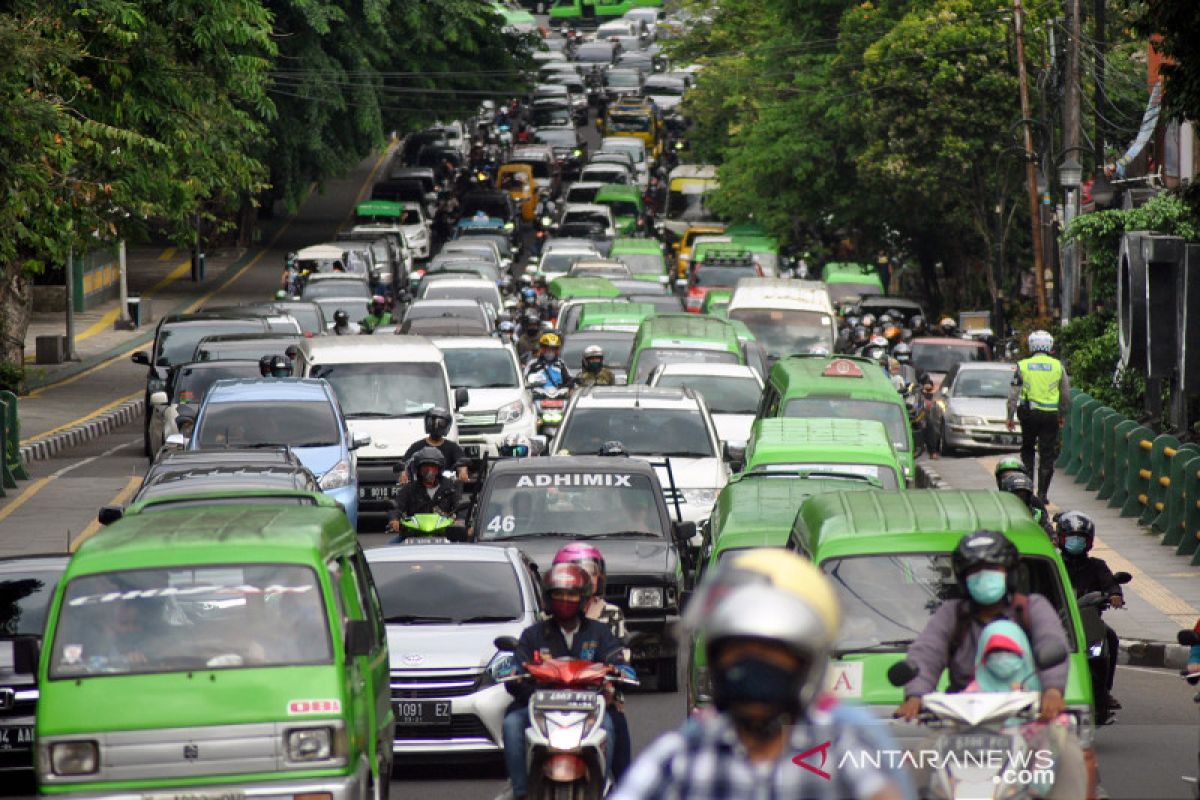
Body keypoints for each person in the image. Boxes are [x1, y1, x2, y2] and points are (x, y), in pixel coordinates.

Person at [617, 549, 909, 800]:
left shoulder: (841, 741)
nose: (753, 668)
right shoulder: (688, 753)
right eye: (739, 652)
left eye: (773, 654)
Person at [895, 530, 1069, 724]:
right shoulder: (952, 614)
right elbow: (927, 653)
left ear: (1009, 573)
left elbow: (1051, 641)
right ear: (963, 578)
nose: (983, 575)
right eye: (974, 570)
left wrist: (1052, 691)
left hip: (1027, 718)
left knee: (1070, 752)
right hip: (962, 721)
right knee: (921, 755)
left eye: (992, 568)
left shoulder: (1031, 608)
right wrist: (915, 696)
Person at [503, 564, 632, 800]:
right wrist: (515, 673)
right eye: (558, 594)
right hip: (540, 707)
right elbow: (516, 667)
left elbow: (617, 659)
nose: (565, 599)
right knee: (512, 723)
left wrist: (621, 671)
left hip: (589, 709)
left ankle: (603, 790)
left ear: (583, 598)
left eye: (571, 594)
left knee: (612, 726)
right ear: (548, 598)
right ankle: (521, 792)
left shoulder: (600, 632)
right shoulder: (532, 635)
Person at [552, 544, 631, 778]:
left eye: (592, 571)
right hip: (555, 702)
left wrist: (616, 671)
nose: (588, 577)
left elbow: (620, 656)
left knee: (614, 729)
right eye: (580, 571)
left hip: (601, 701)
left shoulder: (611, 614)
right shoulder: (548, 616)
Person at [1057, 511, 1124, 714]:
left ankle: (1104, 691)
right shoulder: (1054, 564)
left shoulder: (1097, 566)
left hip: (1088, 624)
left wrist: (1114, 595)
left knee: (1110, 638)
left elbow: (1110, 583)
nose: (1075, 542)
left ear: (1089, 542)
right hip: (1055, 622)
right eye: (1071, 537)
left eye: (1081, 538)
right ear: (1061, 538)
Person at [1007, 330, 1071, 502]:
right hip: (1050, 415)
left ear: (1031, 346)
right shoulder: (1058, 366)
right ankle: (1042, 495)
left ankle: (1027, 490)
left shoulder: (1023, 365)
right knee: (1047, 453)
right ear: (1049, 346)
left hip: (1029, 415)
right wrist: (1061, 414)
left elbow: (1013, 394)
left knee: (1028, 450)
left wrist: (1010, 416)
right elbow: (1065, 394)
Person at [387, 447, 461, 536]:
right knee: (389, 547)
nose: (429, 470)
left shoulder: (450, 487)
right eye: (425, 466)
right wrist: (394, 519)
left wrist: (460, 521)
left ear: (439, 469)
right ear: (418, 469)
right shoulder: (409, 489)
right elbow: (397, 507)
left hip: (443, 534)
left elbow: (460, 506)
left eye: (433, 466)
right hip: (413, 534)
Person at [400, 407, 469, 484]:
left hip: (446, 487)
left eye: (441, 423)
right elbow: (405, 463)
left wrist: (463, 472)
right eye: (432, 422)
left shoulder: (453, 447)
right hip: (421, 487)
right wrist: (404, 474)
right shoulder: (416, 446)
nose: (436, 425)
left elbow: (461, 461)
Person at [998, 470, 1055, 541]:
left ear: (1028, 497)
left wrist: (1052, 537)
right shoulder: (999, 515)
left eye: (1023, 495)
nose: (1019, 499)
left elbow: (1051, 537)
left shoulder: (1038, 515)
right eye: (1015, 495)